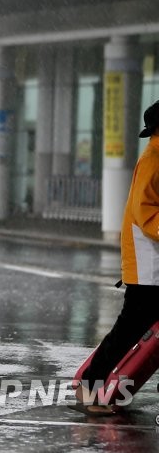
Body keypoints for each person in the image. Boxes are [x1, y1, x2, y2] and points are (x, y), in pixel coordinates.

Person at [73, 101, 159, 415]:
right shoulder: (153, 159)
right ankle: (89, 385)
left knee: (132, 329)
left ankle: (90, 384)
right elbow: (145, 212)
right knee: (129, 329)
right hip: (148, 264)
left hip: (153, 264)